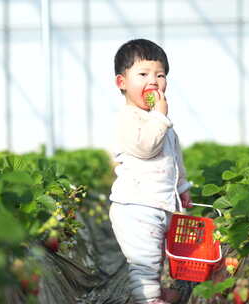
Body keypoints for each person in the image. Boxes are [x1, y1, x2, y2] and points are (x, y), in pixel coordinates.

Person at [108, 38, 193, 304]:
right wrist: (159, 116)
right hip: (135, 207)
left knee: (158, 255)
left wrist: (182, 188)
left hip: (160, 204)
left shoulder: (162, 122)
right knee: (143, 261)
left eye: (160, 75)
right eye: (143, 74)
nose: (153, 82)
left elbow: (174, 158)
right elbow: (147, 148)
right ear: (122, 82)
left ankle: (156, 292)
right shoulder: (128, 119)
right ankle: (148, 299)